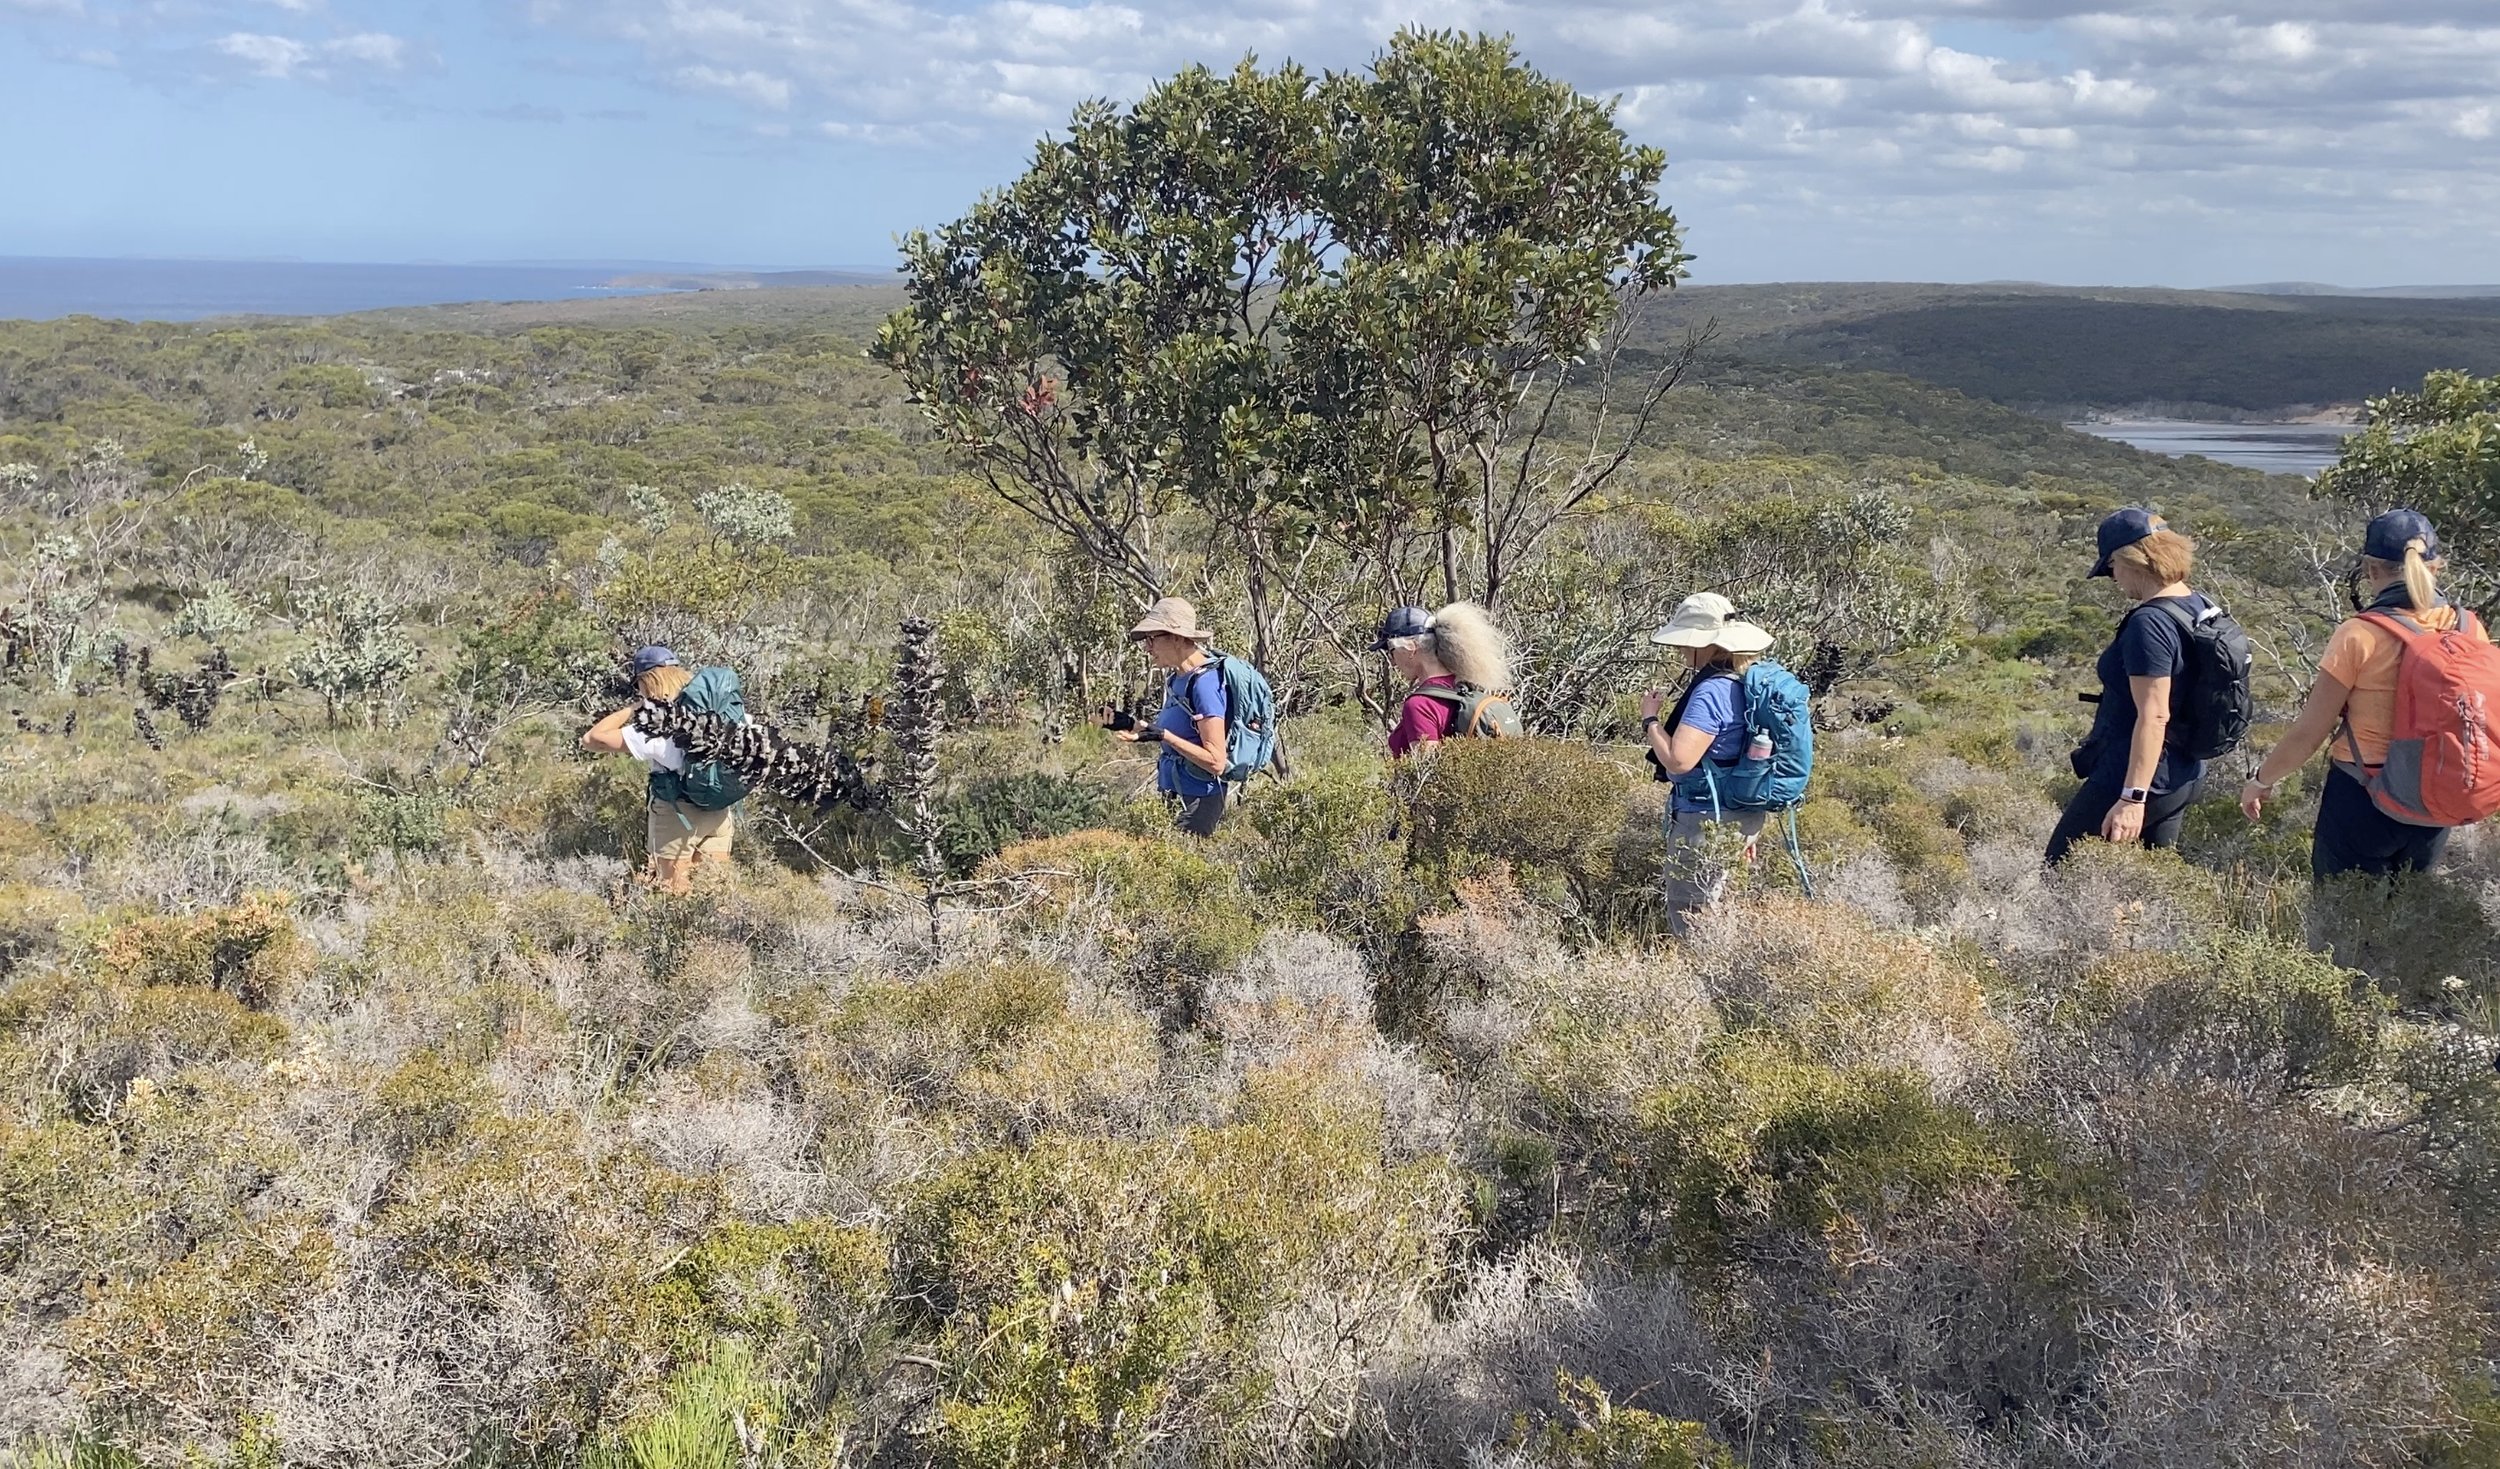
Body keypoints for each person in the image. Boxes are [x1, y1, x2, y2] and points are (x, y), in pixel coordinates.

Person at [2240, 509, 2493, 880]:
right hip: (2436, 799)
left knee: (2339, 919)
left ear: (2372, 570)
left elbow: (2311, 731)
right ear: (2436, 567)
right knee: (2407, 919)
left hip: (2363, 795)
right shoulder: (2470, 627)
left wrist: (2261, 780)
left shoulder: (2359, 634)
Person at [2044, 508, 2213, 866]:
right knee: (2145, 888)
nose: (2114, 578)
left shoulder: (2149, 623)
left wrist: (2132, 798)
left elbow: (2154, 716)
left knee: (2061, 870)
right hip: (2182, 774)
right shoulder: (2199, 607)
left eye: (2112, 568)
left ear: (2132, 561)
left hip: (2135, 776)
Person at [1641, 592, 1778, 936]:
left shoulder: (1711, 691)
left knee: (1692, 916)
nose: (1682, 650)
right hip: (1740, 813)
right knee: (1720, 910)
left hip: (1705, 820)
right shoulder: (1747, 681)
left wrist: (1650, 720)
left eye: (1687, 642)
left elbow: (1678, 761)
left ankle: (1704, 984)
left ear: (1708, 644)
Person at [581, 644, 736, 894]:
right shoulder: (715, 709)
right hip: (720, 811)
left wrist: (634, 708)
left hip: (678, 815)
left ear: (646, 681)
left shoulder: (657, 725)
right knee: (716, 891)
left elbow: (592, 739)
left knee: (675, 891)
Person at [1100, 598, 1232, 836]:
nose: (1147, 647)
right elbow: (1174, 733)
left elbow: (1216, 761)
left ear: (1177, 638)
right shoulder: (1177, 679)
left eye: (1152, 638)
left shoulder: (1204, 684)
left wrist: (1165, 736)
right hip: (1174, 792)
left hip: (1198, 799)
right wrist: (1128, 723)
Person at [1372, 601, 1519, 757]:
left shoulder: (1420, 705)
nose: (1393, 662)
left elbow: (1425, 773)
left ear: (1411, 648)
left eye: (1391, 651)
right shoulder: (1463, 687)